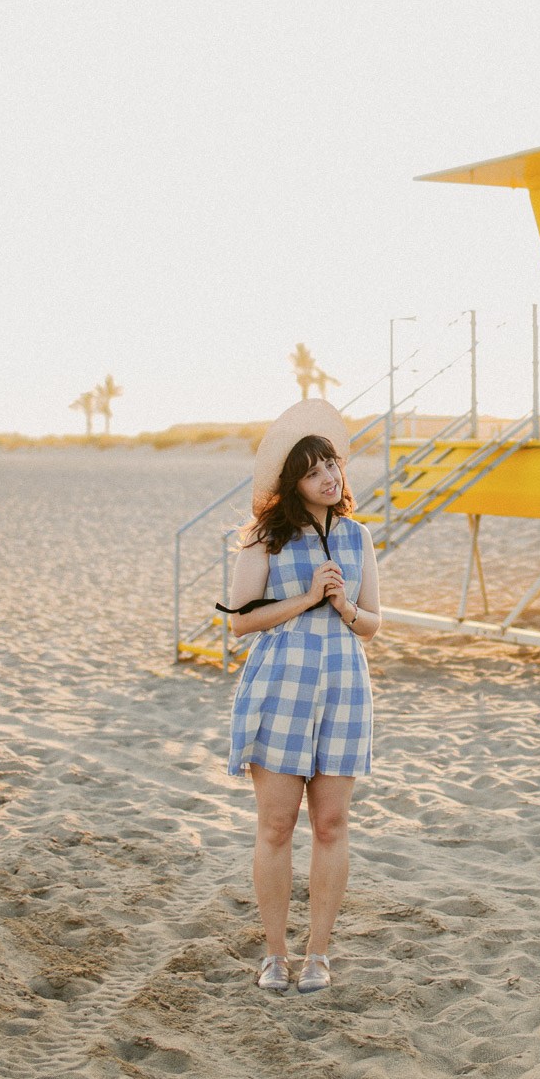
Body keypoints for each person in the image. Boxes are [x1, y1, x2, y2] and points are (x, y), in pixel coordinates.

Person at [219, 399, 380, 994]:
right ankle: (275, 955)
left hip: (343, 685)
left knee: (332, 823)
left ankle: (318, 955)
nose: (330, 478)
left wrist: (344, 606)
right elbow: (239, 620)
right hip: (281, 684)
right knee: (277, 825)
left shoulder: (359, 538)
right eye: (314, 471)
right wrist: (309, 598)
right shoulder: (265, 538)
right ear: (293, 483)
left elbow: (372, 625)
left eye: (333, 465)